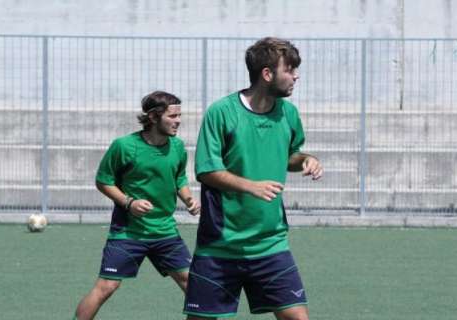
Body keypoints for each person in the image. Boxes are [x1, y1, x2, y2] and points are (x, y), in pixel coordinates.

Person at [183, 37, 323, 320]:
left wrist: (306, 159)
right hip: (221, 245)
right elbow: (207, 170)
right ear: (267, 74)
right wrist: (251, 186)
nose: (296, 76)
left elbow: (290, 155)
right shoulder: (221, 112)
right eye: (290, 69)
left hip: (271, 243)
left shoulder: (288, 113)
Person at [74, 91, 201, 320]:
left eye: (179, 115)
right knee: (107, 287)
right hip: (128, 233)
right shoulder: (124, 146)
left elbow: (179, 178)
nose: (178, 121)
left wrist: (188, 198)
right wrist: (128, 202)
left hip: (165, 231)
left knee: (196, 287)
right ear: (153, 117)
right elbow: (103, 181)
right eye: (172, 116)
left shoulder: (178, 147)